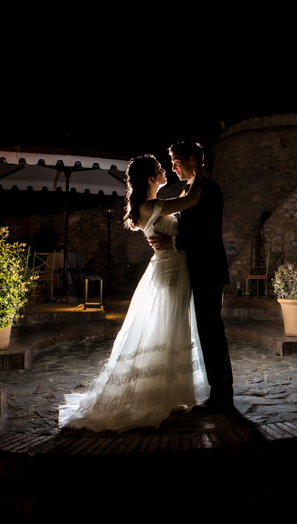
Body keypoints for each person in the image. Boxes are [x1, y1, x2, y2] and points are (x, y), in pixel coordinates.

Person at [58, 155, 210, 432]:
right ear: (151, 179)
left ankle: (170, 391)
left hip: (171, 266)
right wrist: (199, 171)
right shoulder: (150, 205)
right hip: (171, 270)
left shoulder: (148, 206)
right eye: (159, 169)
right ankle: (159, 394)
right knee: (168, 328)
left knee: (172, 329)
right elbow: (191, 200)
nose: (165, 170)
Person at [147, 141, 234, 412]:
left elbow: (204, 233)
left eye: (176, 161)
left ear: (193, 160)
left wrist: (171, 244)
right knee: (207, 333)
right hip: (198, 270)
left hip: (208, 269)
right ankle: (219, 393)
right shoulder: (191, 189)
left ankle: (222, 395)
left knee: (211, 334)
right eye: (171, 162)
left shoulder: (208, 189)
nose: (173, 167)